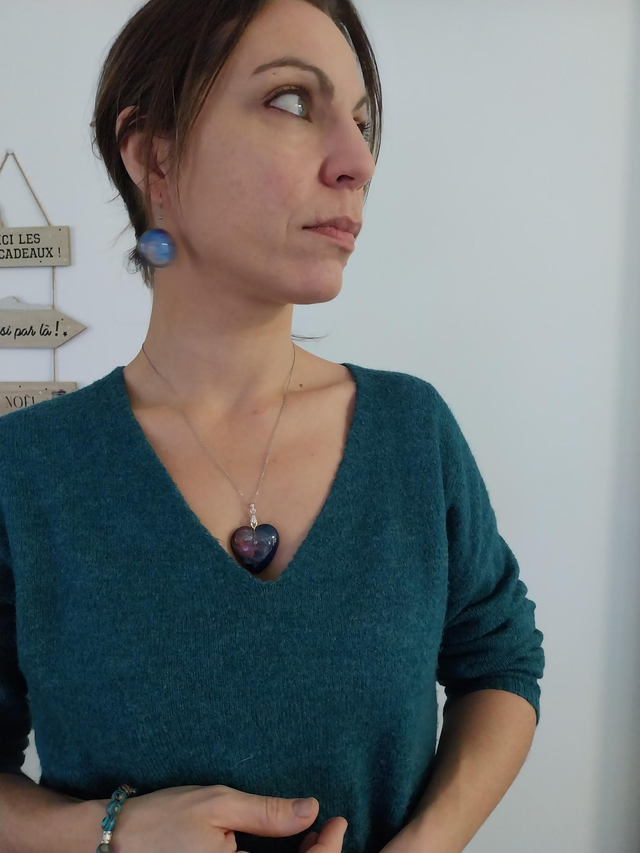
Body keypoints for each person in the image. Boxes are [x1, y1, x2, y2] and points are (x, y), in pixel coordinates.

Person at [0, 1, 545, 853]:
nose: (358, 161)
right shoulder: (27, 471)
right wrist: (111, 832)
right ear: (154, 155)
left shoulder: (412, 436)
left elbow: (501, 662)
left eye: (362, 123)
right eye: (292, 101)